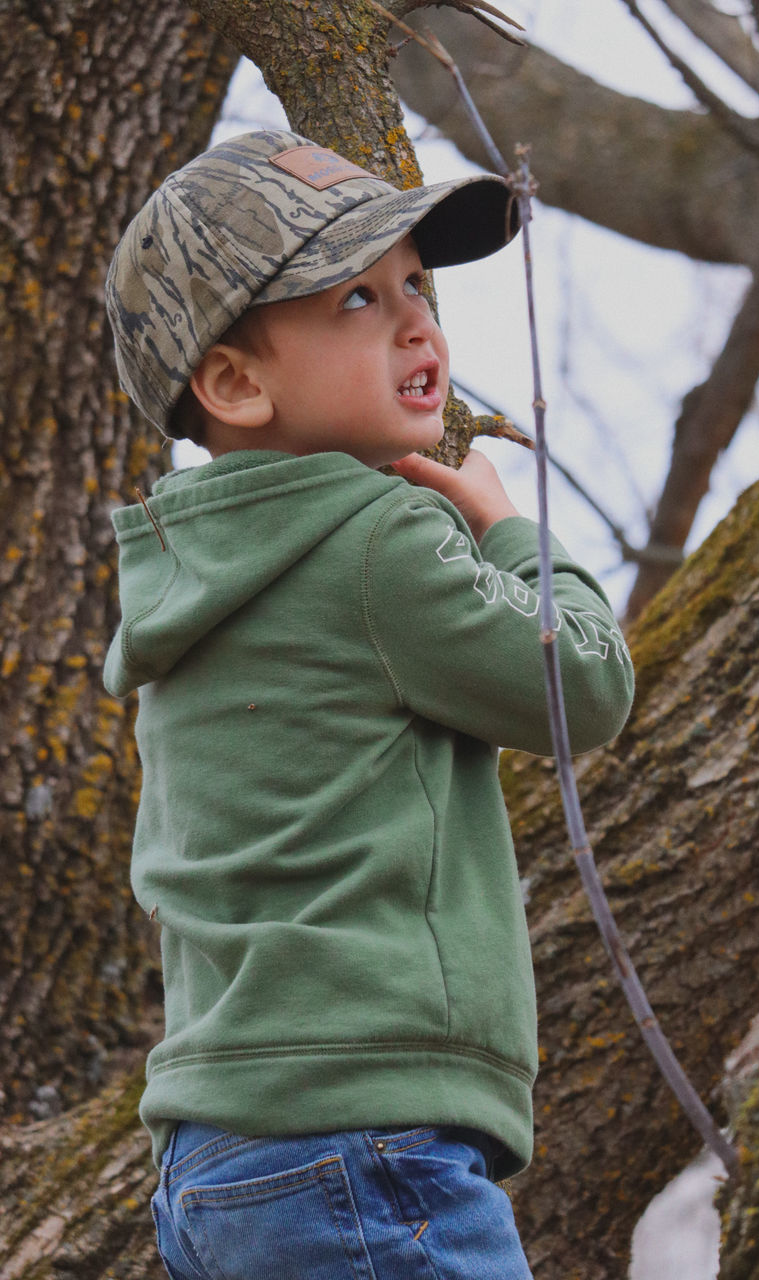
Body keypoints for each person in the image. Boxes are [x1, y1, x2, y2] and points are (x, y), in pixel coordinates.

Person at [104, 129, 634, 1280]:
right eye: (354, 296)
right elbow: (583, 682)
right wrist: (505, 527)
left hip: (217, 1165)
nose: (416, 325)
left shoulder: (189, 577)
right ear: (236, 382)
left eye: (414, 285)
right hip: (364, 1146)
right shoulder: (376, 541)